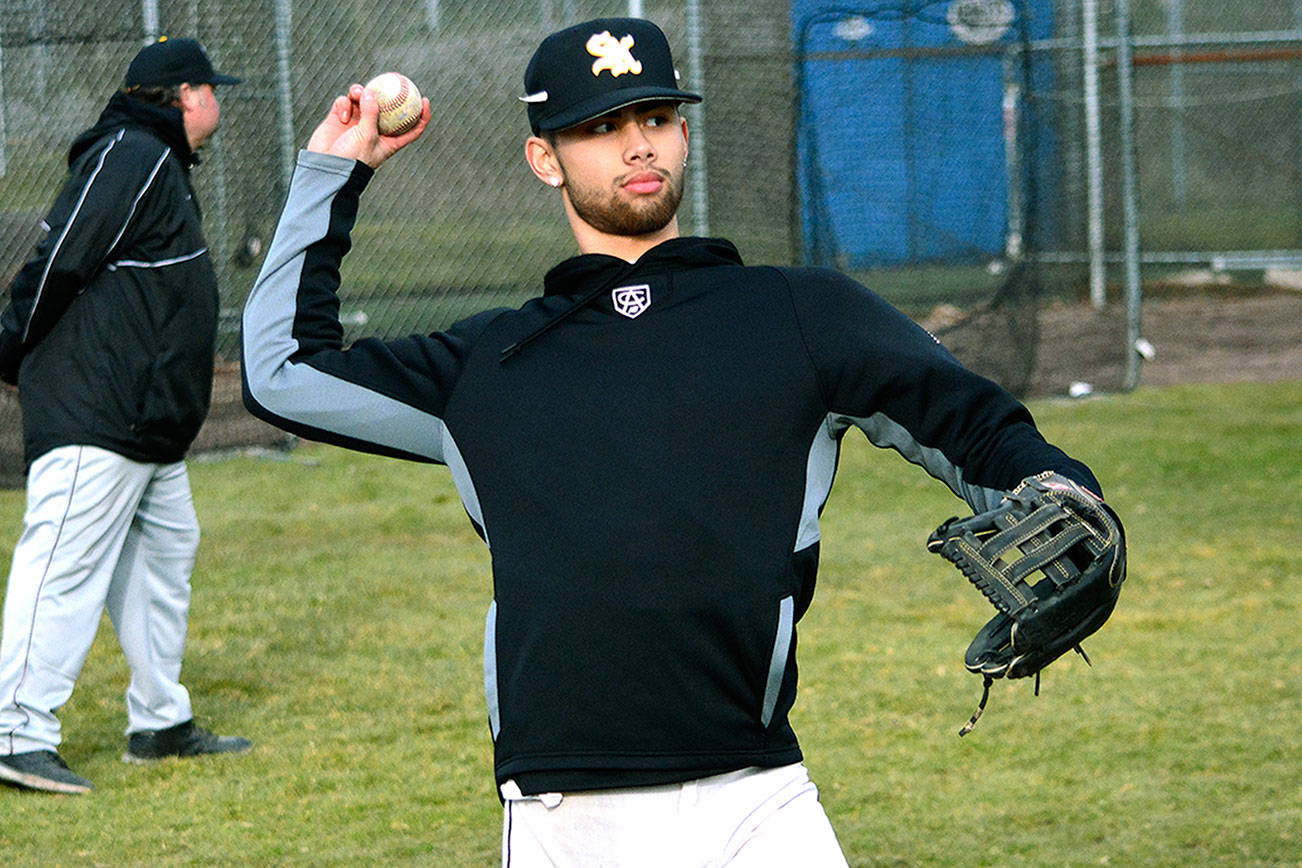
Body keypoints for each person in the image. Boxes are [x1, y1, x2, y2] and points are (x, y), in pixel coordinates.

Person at [241, 17, 1115, 866]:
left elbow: (973, 423)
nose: (637, 145)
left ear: (685, 137)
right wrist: (333, 172)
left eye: (655, 118)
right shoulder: (483, 363)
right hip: (562, 809)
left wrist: (1062, 488)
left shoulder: (802, 315)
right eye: (599, 127)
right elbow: (281, 368)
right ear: (544, 159)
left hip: (758, 792)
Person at [0, 37, 253, 796]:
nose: (217, 100)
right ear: (181, 95)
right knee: (62, 569)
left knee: (165, 556)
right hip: (97, 408)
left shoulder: (158, 162)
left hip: (142, 418)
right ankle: (15, 729)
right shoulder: (130, 153)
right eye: (211, 88)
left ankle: (159, 721)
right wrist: (10, 349)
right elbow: (59, 260)